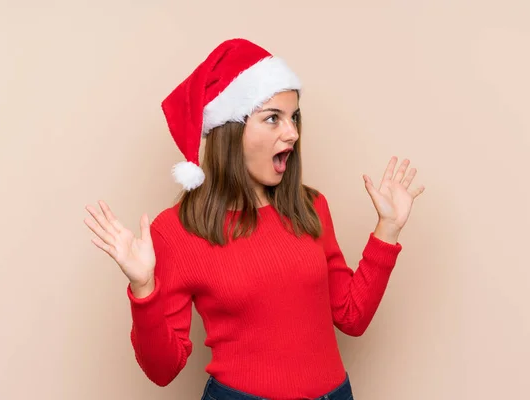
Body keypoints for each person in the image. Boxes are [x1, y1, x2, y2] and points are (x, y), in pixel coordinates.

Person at [84, 38, 424, 400]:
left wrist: (388, 228)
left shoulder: (311, 208)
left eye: (294, 117)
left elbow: (352, 317)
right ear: (231, 131)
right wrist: (144, 289)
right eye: (273, 118)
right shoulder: (176, 232)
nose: (292, 133)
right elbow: (163, 370)